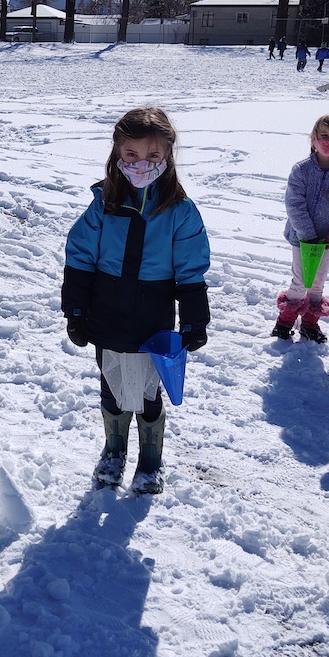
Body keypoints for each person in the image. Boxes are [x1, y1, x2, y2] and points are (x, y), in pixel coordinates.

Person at [62, 108, 211, 495]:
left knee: (147, 391)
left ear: (167, 156)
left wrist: (195, 321)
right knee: (112, 385)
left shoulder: (180, 211)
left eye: (152, 156)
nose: (141, 164)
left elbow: (191, 270)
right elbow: (79, 257)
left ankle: (150, 461)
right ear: (117, 154)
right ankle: (113, 451)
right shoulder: (103, 204)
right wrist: (76, 310)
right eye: (131, 155)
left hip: (152, 317)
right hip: (106, 313)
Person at [272, 113, 329, 343]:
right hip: (301, 239)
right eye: (323, 135)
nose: (328, 140)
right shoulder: (301, 170)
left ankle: (310, 322)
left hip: (328, 242)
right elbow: (294, 204)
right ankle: (286, 319)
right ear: (313, 138)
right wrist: (307, 236)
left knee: (318, 281)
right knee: (300, 279)